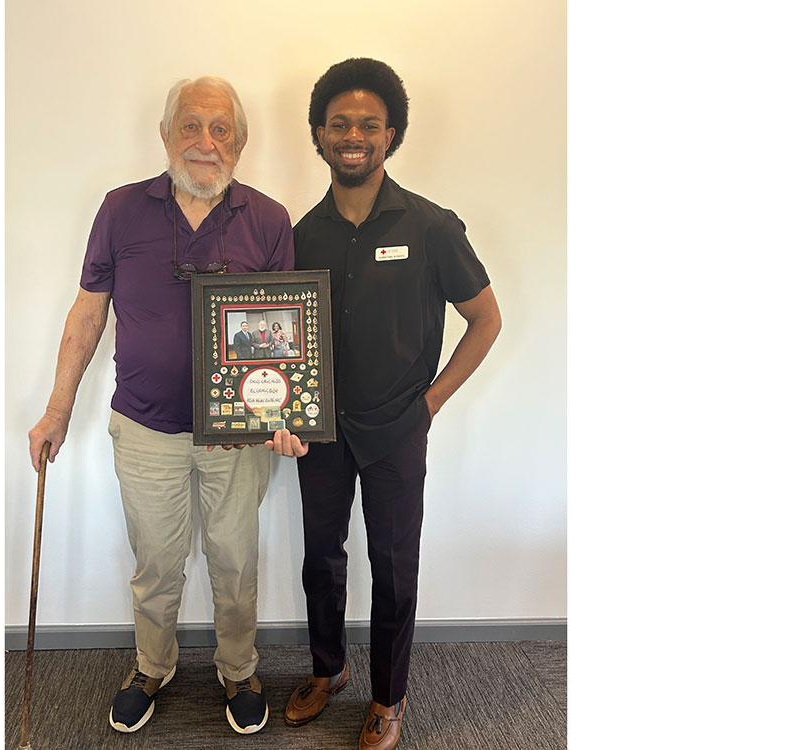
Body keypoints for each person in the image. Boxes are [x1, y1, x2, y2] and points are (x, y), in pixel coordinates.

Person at [28, 75, 294, 736]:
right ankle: (152, 666)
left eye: (221, 128)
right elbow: (88, 315)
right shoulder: (120, 210)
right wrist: (57, 410)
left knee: (235, 564)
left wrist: (286, 417)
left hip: (237, 437)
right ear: (167, 135)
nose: (206, 143)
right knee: (156, 565)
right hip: (145, 427)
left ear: (240, 141)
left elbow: (288, 337)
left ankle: (238, 671)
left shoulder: (268, 219)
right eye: (192, 126)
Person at [267, 58, 502, 750]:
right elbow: (281, 337)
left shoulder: (431, 227)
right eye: (339, 123)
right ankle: (327, 670)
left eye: (368, 124)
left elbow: (486, 319)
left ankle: (389, 696)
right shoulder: (300, 234)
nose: (353, 135)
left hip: (400, 427)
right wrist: (278, 409)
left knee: (395, 564)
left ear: (390, 133)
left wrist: (428, 405)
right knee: (321, 557)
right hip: (322, 431)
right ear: (318, 134)